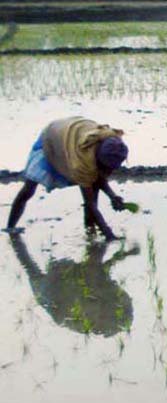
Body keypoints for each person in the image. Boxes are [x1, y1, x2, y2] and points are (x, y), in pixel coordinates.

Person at [4, 117, 130, 241]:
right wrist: (109, 235)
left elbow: (99, 178)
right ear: (98, 160)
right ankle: (10, 227)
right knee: (29, 188)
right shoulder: (82, 162)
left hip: (73, 132)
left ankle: (90, 231)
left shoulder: (114, 143)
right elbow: (90, 202)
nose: (109, 172)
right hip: (53, 139)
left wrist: (113, 197)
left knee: (93, 187)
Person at [9, 235, 137, 336]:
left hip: (56, 295)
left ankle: (14, 236)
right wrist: (119, 254)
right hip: (56, 296)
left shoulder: (91, 307)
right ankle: (14, 237)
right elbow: (98, 271)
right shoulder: (101, 305)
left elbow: (97, 270)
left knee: (28, 265)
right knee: (29, 266)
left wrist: (115, 251)